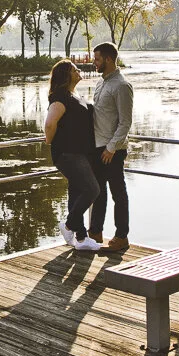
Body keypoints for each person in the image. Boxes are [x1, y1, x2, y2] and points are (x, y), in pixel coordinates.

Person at [43, 59, 102, 251]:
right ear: (66, 75)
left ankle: (82, 238)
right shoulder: (60, 97)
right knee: (92, 189)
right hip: (68, 154)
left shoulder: (74, 95)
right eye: (74, 69)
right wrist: (49, 139)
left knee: (76, 192)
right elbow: (50, 124)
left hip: (80, 152)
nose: (79, 71)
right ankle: (68, 225)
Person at [88, 41, 132, 252]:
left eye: (97, 59)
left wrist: (112, 148)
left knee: (118, 193)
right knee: (98, 192)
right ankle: (95, 233)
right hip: (98, 147)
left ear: (108, 59)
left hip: (113, 150)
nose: (94, 62)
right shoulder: (101, 83)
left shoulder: (122, 86)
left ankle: (121, 237)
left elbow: (125, 122)